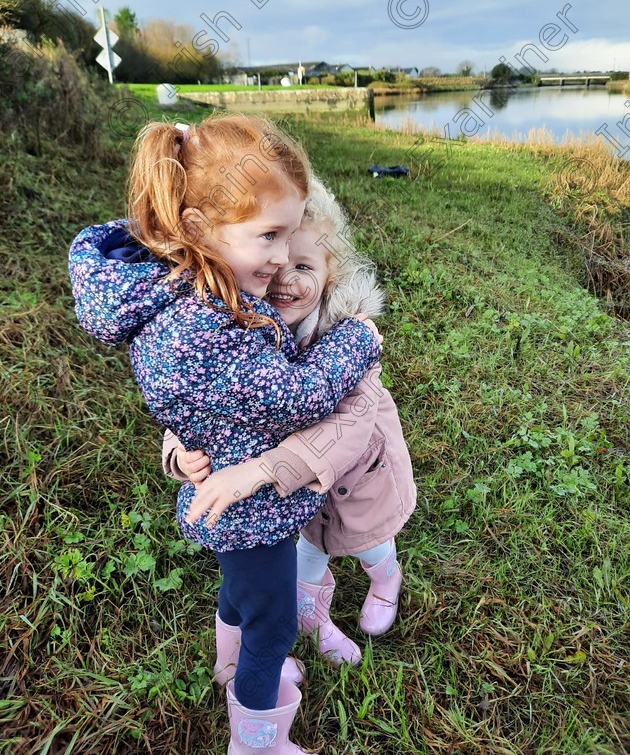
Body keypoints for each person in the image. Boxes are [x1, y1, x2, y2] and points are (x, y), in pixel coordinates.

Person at [68, 114, 382, 754]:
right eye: (268, 236)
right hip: (251, 509)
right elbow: (298, 396)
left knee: (239, 595)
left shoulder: (182, 293)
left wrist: (179, 446)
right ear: (197, 229)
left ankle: (227, 667)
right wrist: (356, 338)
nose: (278, 257)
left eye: (291, 237)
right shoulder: (212, 325)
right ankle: (257, 740)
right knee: (271, 624)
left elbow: (192, 402)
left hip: (218, 498)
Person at [163, 177, 417, 669]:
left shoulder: (348, 337)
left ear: (331, 272)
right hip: (294, 500)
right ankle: (317, 620)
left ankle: (386, 578)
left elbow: (348, 428)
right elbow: (198, 400)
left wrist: (259, 470)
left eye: (303, 265)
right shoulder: (235, 331)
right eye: (274, 259)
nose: (284, 276)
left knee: (371, 543)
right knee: (308, 557)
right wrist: (181, 452)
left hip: (356, 482)